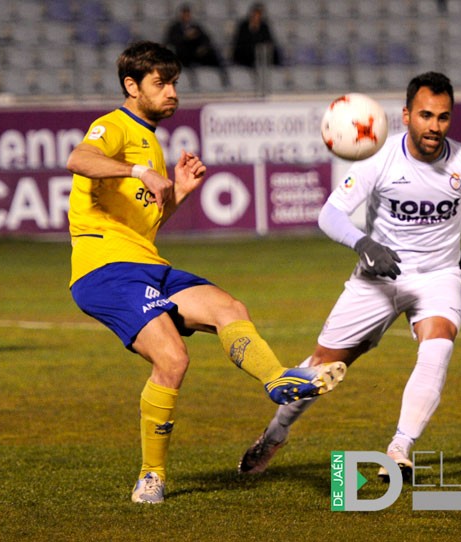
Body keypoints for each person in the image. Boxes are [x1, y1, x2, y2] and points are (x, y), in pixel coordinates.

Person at [65, 41, 345, 504]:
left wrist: (179, 192)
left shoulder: (151, 142)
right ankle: (150, 477)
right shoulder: (112, 126)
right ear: (131, 87)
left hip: (145, 263)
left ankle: (277, 380)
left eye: (174, 82)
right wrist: (141, 172)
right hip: (104, 268)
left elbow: (145, 224)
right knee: (172, 359)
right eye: (161, 83)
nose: (172, 92)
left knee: (227, 306)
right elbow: (77, 160)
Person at [238, 72, 461, 479]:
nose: (434, 126)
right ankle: (275, 432)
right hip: (376, 278)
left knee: (439, 344)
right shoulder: (380, 158)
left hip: (436, 277)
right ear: (406, 115)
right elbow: (329, 214)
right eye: (426, 115)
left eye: (443, 118)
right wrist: (365, 246)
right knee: (323, 368)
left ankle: (400, 448)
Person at [163, 4, 229, 86]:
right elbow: (171, 41)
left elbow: (206, 38)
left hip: (197, 53)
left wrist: (203, 47)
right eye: (184, 14)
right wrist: (185, 37)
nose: (186, 16)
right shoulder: (174, 27)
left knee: (212, 52)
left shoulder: (196, 26)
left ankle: (223, 73)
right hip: (184, 53)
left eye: (188, 14)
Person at [231, 3, 281, 68]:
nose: (256, 17)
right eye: (255, 14)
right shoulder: (243, 25)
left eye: (258, 14)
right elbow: (240, 41)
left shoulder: (264, 26)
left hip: (261, 52)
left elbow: (268, 40)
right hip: (246, 52)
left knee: (269, 51)